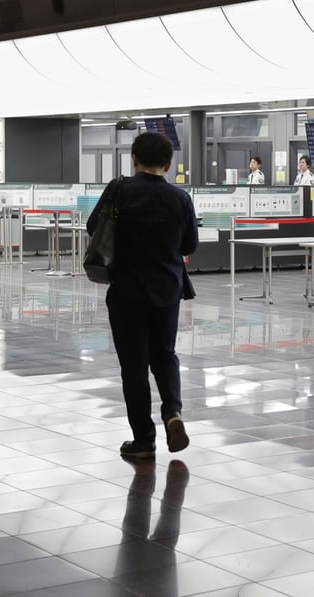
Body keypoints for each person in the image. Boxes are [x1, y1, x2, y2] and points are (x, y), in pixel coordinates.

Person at [86, 132, 199, 459]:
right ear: (168, 164)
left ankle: (143, 439)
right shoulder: (180, 199)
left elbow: (95, 227)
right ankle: (172, 412)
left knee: (134, 366)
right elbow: (189, 245)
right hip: (167, 289)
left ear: (134, 159)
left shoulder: (119, 189)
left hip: (127, 291)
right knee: (165, 355)